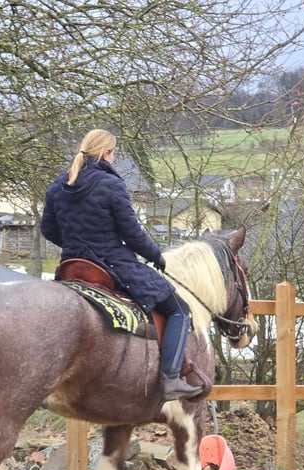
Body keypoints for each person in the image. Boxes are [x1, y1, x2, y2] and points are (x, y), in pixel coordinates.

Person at [41, 129, 202, 401]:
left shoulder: (59, 184)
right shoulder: (111, 185)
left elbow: (48, 229)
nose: (113, 158)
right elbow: (132, 233)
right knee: (180, 311)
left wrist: (75, 244)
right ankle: (170, 379)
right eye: (113, 153)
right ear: (106, 153)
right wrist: (156, 255)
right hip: (111, 264)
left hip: (72, 265)